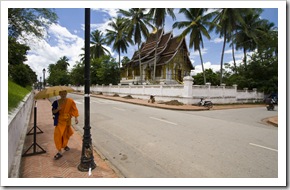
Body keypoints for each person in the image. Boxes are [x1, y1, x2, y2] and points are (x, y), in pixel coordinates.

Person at [52, 90, 79, 160]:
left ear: (66, 94)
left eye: (65, 93)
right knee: (58, 135)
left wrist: (76, 118)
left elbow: (74, 109)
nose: (63, 95)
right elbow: (53, 111)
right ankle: (59, 151)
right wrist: (57, 109)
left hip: (67, 121)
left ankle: (65, 145)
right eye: (62, 94)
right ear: (59, 94)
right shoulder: (56, 102)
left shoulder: (70, 101)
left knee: (65, 134)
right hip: (59, 121)